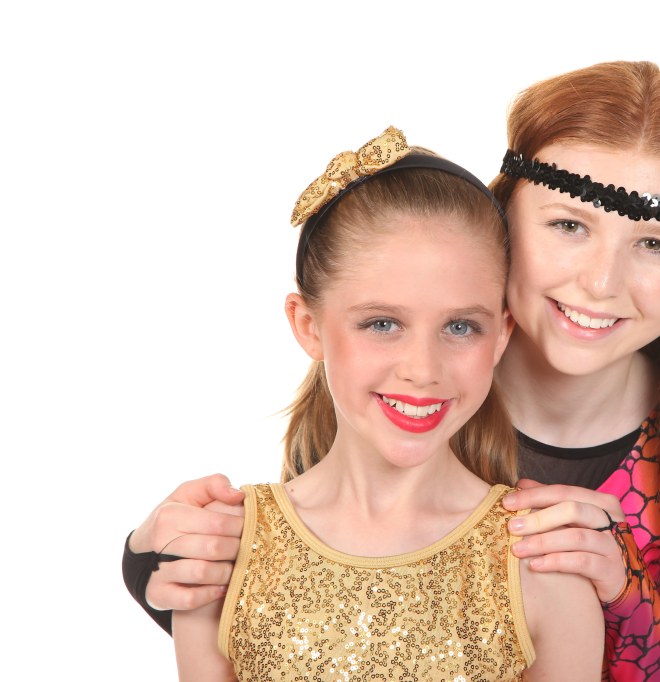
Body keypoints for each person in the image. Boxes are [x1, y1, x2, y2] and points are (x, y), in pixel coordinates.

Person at [125, 62, 660, 682]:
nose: (602, 282)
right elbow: (314, 629)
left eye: (655, 243)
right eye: (568, 225)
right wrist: (154, 557)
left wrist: (626, 596)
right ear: (503, 223)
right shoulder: (401, 400)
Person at [167, 126, 604, 681]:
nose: (422, 369)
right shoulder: (222, 555)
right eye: (382, 324)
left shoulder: (542, 566)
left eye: (460, 326)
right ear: (309, 326)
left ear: (501, 336)